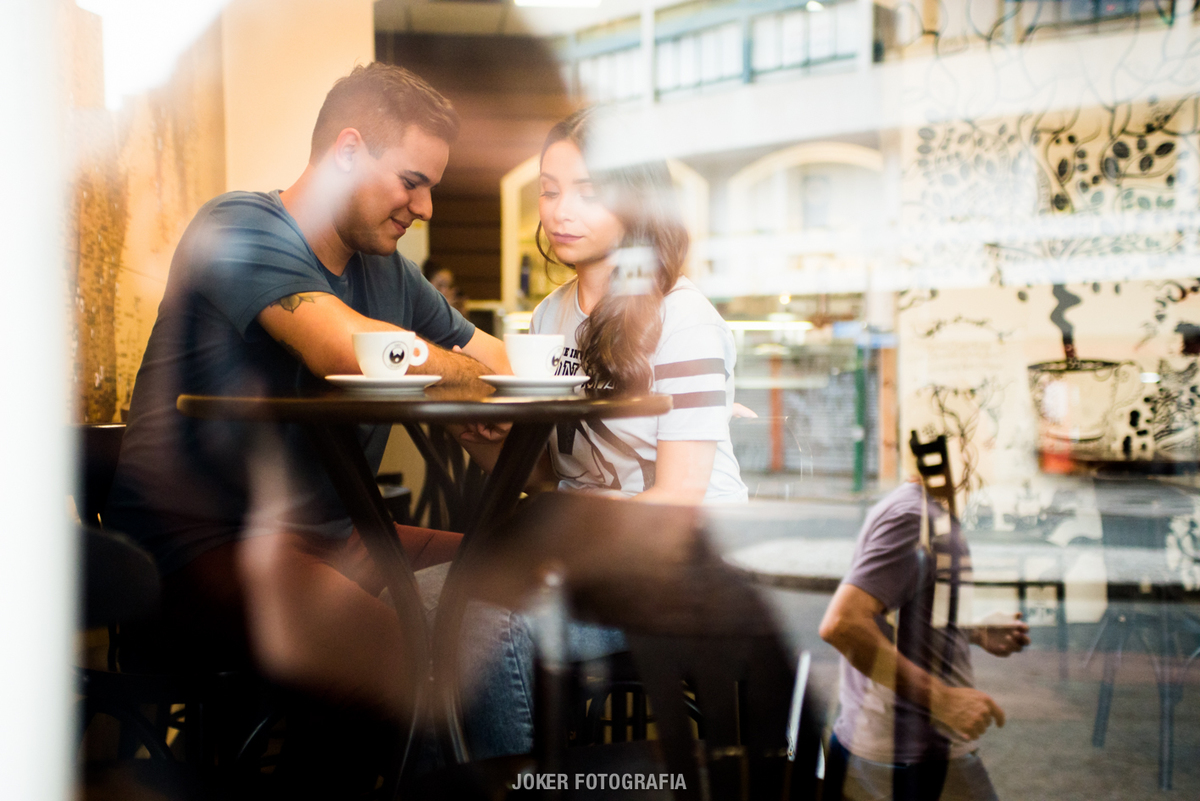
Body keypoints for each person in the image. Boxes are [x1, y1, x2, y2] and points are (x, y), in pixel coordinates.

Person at [105, 63, 510, 723]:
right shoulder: (239, 227)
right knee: (408, 660)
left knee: (516, 588)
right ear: (347, 151)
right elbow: (342, 346)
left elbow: (489, 354)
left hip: (333, 536)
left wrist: (476, 383)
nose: (427, 208)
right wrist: (461, 377)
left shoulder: (391, 271)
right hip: (199, 548)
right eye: (413, 182)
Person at [455, 108, 748, 758]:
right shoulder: (549, 315)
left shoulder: (683, 316)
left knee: (490, 624)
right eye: (551, 189)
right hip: (595, 559)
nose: (561, 210)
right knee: (452, 607)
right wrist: (480, 437)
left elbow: (679, 498)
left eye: (588, 191)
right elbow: (548, 475)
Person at [819, 480, 1031, 801]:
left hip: (899, 752)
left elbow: (896, 615)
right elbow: (843, 624)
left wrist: (972, 632)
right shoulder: (914, 518)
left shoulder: (922, 510)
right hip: (912, 754)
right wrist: (943, 700)